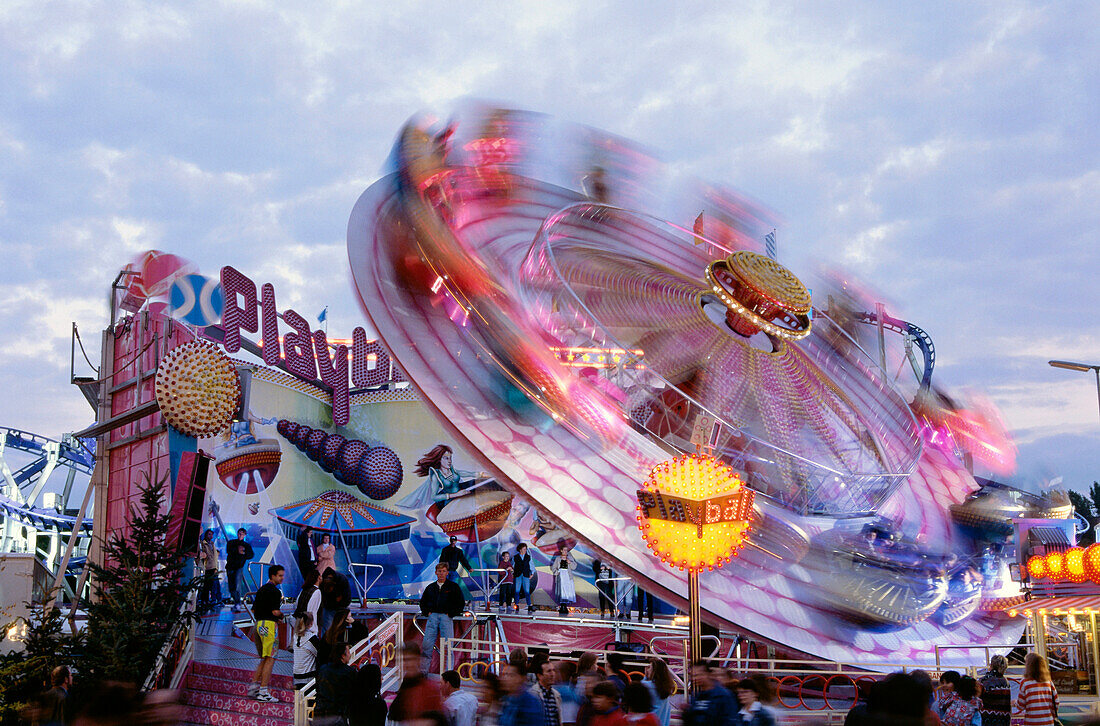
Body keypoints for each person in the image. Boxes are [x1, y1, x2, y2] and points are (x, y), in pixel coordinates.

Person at [419, 562, 465, 673]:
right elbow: (423, 602)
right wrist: (427, 613)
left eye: (444, 571)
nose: (441, 573)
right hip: (432, 617)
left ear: (447, 573)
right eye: (439, 571)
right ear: (435, 572)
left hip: (446, 618)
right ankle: (423, 673)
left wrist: (451, 613)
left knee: (448, 647)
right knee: (427, 646)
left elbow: (460, 602)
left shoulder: (453, 587)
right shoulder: (430, 587)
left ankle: (448, 674)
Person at [249, 564, 285, 703]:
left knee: (264, 657)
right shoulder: (275, 592)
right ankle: (263, 691)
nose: (282, 578)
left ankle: (253, 687)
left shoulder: (261, 590)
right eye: (280, 575)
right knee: (270, 658)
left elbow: (254, 610)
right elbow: (275, 612)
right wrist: (282, 616)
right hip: (269, 626)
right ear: (273, 576)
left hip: (259, 625)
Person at [390, 643, 443, 723]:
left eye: (409, 659)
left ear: (418, 660)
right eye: (403, 660)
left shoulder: (429, 689)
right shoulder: (406, 686)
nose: (406, 664)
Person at [314, 642, 356, 725]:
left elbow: (318, 688)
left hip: (320, 713)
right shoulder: (349, 672)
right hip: (337, 715)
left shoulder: (323, 669)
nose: (350, 655)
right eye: (348, 652)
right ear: (343, 655)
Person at [683, 661, 736, 726]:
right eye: (692, 676)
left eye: (698, 675)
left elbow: (729, 720)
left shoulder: (723, 695)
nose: (694, 678)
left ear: (708, 674)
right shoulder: (697, 696)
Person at [1017, 653, 1058, 726]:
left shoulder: (1025, 682)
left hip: (1031, 722)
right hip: (1048, 722)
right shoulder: (1049, 682)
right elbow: (1056, 702)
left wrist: (1014, 703)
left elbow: (1021, 705)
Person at [225, 527, 254, 612]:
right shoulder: (231, 543)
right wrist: (238, 551)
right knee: (231, 587)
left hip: (238, 568)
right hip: (230, 566)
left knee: (237, 586)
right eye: (239, 533)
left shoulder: (246, 545)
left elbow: (251, 555)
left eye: (242, 534)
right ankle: (236, 602)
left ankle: (237, 604)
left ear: (245, 535)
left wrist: (243, 552)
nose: (240, 535)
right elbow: (229, 550)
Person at [978, 654, 1011, 726]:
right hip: (1004, 719)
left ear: (991, 665)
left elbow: (977, 699)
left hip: (987, 719)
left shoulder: (985, 680)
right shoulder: (1005, 681)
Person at [292, 612, 321, 690]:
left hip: (297, 676)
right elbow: (320, 654)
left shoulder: (295, 637)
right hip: (308, 676)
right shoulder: (311, 638)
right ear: (311, 623)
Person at [319, 567, 352, 633]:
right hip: (329, 607)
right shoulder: (323, 584)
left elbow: (347, 597)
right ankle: (326, 641)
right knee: (327, 628)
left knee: (340, 629)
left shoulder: (342, 580)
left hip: (341, 607)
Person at [643, 659, 675, 726]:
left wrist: (645, 677)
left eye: (649, 668)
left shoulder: (646, 686)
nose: (647, 670)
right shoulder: (667, 688)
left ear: (654, 671)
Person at [532, 660, 563, 726]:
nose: (552, 674)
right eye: (549, 671)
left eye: (553, 670)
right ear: (539, 675)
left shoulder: (556, 695)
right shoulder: (532, 694)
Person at [197, 529, 221, 612]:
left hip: (213, 567)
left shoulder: (212, 544)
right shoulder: (203, 544)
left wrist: (216, 567)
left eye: (212, 534)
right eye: (209, 534)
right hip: (206, 568)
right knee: (206, 586)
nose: (210, 536)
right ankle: (204, 601)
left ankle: (210, 601)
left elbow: (215, 556)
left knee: (212, 586)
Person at [550, 542, 577, 616]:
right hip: (561, 576)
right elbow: (553, 567)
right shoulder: (558, 558)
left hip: (567, 576)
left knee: (567, 590)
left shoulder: (570, 558)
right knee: (561, 590)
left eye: (566, 550)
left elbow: (574, 567)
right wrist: (557, 572)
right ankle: (562, 606)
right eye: (564, 550)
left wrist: (570, 562)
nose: (565, 551)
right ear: (561, 550)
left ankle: (565, 606)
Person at [555, 660, 584, 726]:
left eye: (555, 670)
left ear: (562, 673)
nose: (552, 673)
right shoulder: (570, 690)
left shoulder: (567, 691)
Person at [294, 568, 322, 635]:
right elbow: (313, 611)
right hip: (309, 626)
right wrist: (314, 628)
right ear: (318, 577)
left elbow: (296, 605)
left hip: (299, 622)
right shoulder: (317, 591)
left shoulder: (304, 590)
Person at [514, 543, 534, 613]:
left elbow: (531, 565)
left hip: (525, 575)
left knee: (527, 591)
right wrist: (512, 572)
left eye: (526, 549)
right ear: (520, 549)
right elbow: (513, 565)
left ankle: (529, 605)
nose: (525, 550)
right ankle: (516, 604)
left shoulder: (528, 557)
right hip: (518, 575)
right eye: (524, 549)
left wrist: (532, 573)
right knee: (517, 590)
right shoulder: (515, 557)